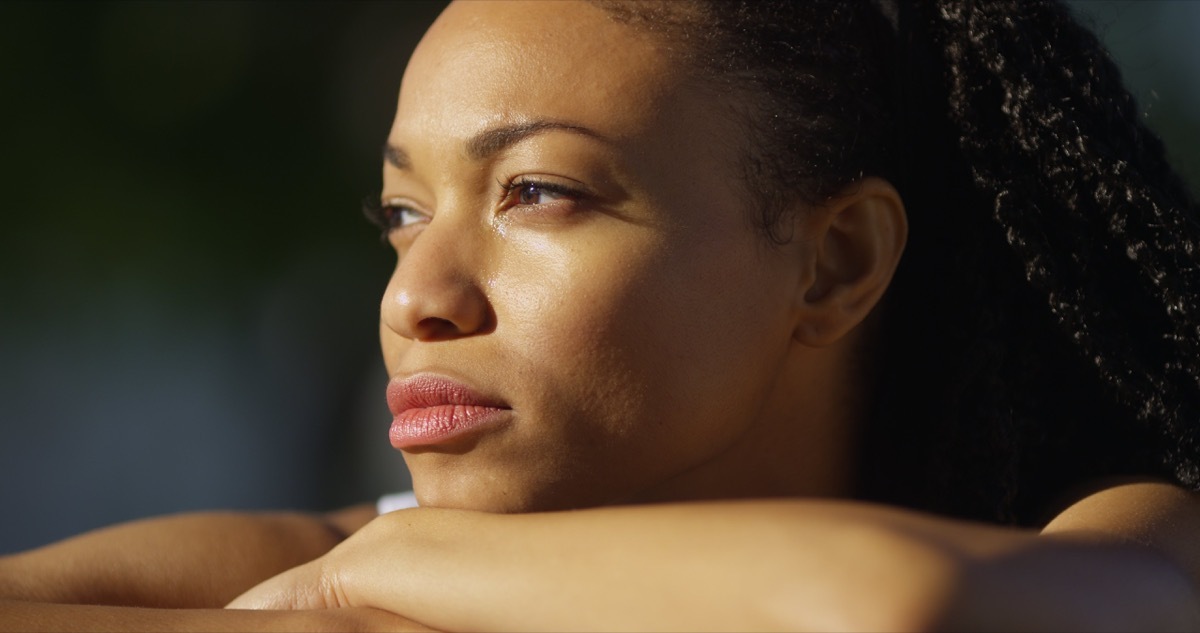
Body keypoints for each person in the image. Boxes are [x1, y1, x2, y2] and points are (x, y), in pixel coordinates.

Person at [4, 0, 1200, 630]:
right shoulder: (345, 557)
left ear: (834, 263)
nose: (415, 298)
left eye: (537, 192)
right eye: (400, 213)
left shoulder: (1133, 539)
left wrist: (373, 597)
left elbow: (900, 611)